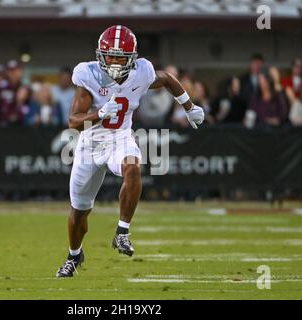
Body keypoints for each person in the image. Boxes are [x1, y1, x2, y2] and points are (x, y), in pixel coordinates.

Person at [56, 25, 204, 277]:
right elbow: (74, 122)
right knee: (79, 212)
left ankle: (122, 231)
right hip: (90, 144)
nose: (114, 62)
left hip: (120, 138)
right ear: (100, 55)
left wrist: (189, 106)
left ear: (132, 59)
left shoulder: (141, 72)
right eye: (110, 56)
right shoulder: (88, 74)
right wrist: (100, 114)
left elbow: (167, 78)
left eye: (120, 57)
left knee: (134, 167)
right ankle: (74, 255)